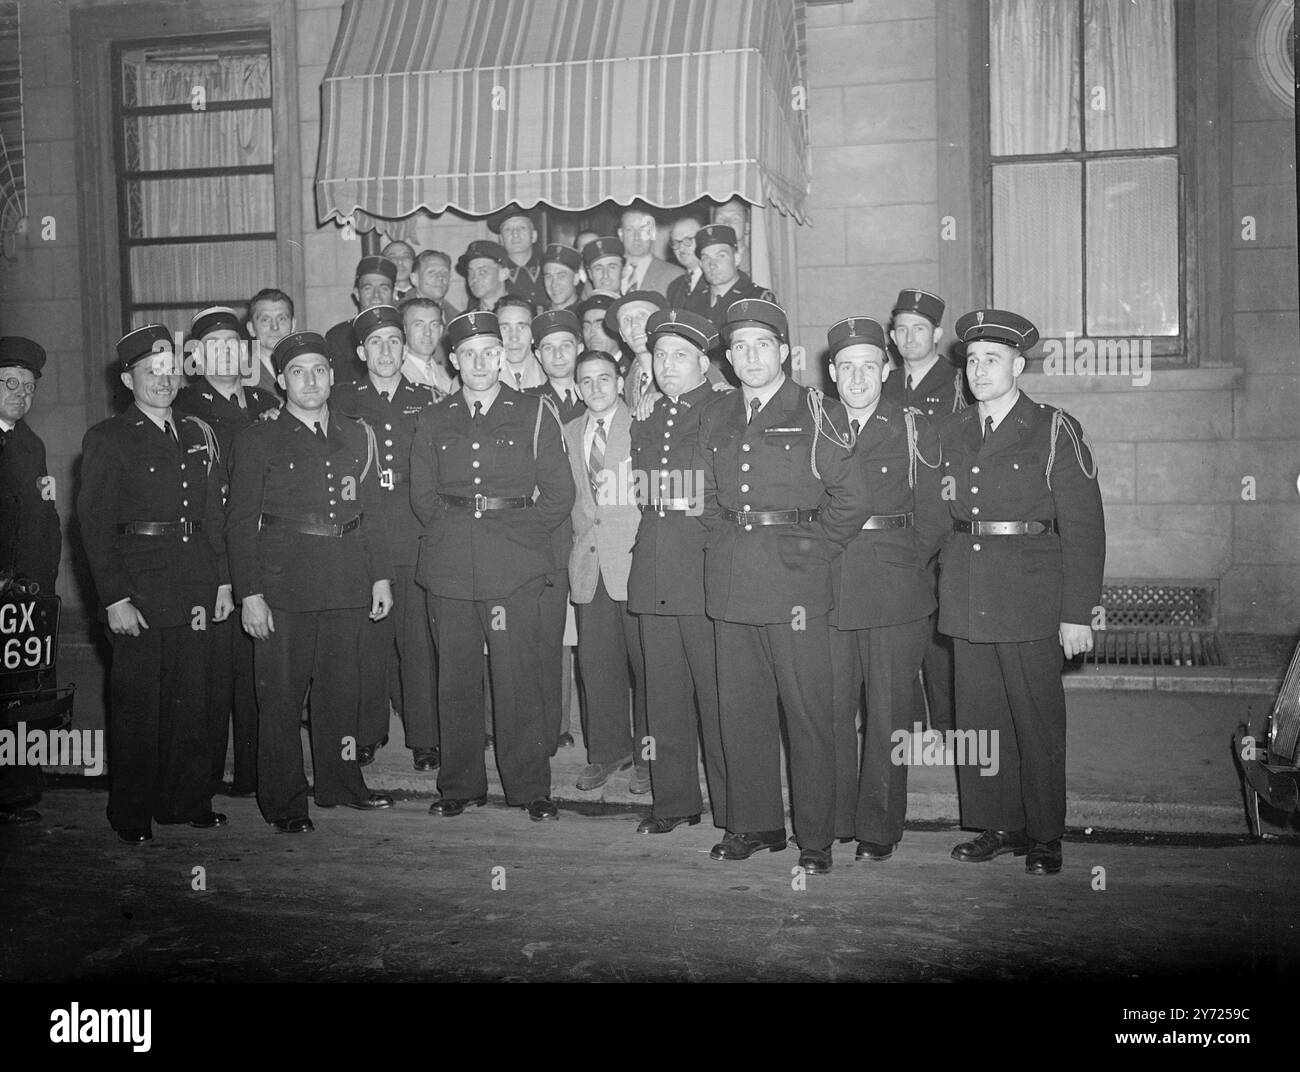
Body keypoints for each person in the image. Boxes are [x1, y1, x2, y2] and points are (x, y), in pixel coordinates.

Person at [698, 299, 869, 875]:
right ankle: (754, 823)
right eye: (739, 347)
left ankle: (815, 838)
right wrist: (723, 544)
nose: (749, 357)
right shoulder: (717, 415)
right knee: (740, 711)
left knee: (808, 714)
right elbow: (703, 496)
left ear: (784, 353)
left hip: (795, 587)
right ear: (727, 356)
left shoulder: (816, 410)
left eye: (761, 345)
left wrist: (811, 550)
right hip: (732, 582)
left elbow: (853, 497)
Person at [941, 308, 1105, 876]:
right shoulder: (955, 430)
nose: (979, 370)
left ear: (1017, 364)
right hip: (967, 589)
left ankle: (1043, 834)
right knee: (980, 717)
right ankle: (997, 824)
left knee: (1036, 718)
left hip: (1030, 595)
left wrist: (1077, 612)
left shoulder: (1054, 428)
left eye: (992, 359)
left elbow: (1083, 527)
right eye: (971, 361)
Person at [225, 330, 396, 833]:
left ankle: (340, 784)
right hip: (284, 587)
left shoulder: (355, 432)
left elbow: (372, 512)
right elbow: (240, 522)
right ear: (281, 380)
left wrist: (380, 577)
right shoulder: (258, 438)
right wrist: (250, 594)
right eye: (298, 372)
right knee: (279, 698)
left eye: (319, 370)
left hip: (345, 580)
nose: (310, 381)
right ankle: (284, 801)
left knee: (340, 692)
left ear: (332, 375)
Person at [410, 311, 575, 822]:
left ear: (502, 357)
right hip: (451, 567)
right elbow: (422, 496)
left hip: (514, 566)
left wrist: (518, 537)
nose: (479, 363)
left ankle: (529, 788)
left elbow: (559, 493)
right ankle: (459, 785)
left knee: (517, 677)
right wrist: (459, 535)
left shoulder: (534, 411)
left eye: (489, 352)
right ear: (453, 360)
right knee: (455, 678)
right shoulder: (433, 417)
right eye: (468, 354)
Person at [78, 325, 231, 844]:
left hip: (192, 585)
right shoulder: (107, 438)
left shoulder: (195, 432)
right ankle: (132, 812)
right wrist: (115, 598)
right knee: (138, 707)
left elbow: (211, 514)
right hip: (138, 592)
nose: (162, 381)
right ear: (128, 379)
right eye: (150, 372)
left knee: (192, 700)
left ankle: (184, 801)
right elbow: (95, 527)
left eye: (169, 370)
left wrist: (221, 584)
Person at [824, 316, 947, 862]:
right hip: (827, 586)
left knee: (888, 714)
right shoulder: (816, 424)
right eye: (846, 368)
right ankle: (833, 819)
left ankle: (877, 828)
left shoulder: (914, 425)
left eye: (868, 367)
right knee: (828, 710)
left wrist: (905, 567)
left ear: (885, 369)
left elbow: (935, 515)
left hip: (895, 586)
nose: (857, 378)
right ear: (831, 372)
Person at [627, 309, 729, 835]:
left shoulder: (725, 408)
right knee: (662, 697)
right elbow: (641, 490)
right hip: (654, 567)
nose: (668, 366)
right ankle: (674, 802)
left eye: (680, 356)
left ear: (704, 363)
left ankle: (735, 808)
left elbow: (721, 491)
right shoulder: (644, 414)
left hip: (704, 567)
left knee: (718, 697)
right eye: (660, 355)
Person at [174, 307, 280, 798]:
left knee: (259, 674)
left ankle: (255, 778)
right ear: (195, 356)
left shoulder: (265, 402)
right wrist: (220, 572)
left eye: (233, 344)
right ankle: (203, 780)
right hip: (214, 555)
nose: (225, 353)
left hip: (267, 552)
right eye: (212, 345)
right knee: (213, 678)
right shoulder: (185, 410)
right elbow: (198, 498)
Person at [331, 305, 441, 773]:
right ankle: (368, 730)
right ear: (361, 351)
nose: (386, 350)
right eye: (375, 342)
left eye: (394, 341)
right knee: (368, 640)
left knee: (418, 640)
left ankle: (425, 738)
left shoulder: (429, 398)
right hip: (365, 530)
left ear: (404, 347)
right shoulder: (342, 401)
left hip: (415, 529)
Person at [882, 288, 965, 738]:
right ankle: (908, 724)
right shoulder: (883, 384)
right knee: (900, 623)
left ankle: (949, 726)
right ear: (892, 337)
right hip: (897, 522)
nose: (909, 337)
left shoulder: (960, 382)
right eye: (901, 329)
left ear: (936, 333)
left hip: (946, 521)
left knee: (940, 631)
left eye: (919, 329)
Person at [565, 347, 648, 793]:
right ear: (577, 388)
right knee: (597, 667)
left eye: (603, 378)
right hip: (588, 565)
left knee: (647, 668)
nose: (595, 387)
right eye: (586, 380)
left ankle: (648, 760)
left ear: (620, 382)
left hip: (634, 562)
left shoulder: (643, 425)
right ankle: (606, 752)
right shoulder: (568, 431)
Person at [0, 337, 62, 824]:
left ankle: (17, 794)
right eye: (10, 383)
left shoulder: (31, 445)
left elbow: (43, 522)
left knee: (21, 693)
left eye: (29, 386)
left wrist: (39, 586)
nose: (21, 393)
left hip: (23, 598)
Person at [526, 310, 586, 754]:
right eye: (548, 347)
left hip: (593, 533)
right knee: (548, 634)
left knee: (595, 636)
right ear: (536, 355)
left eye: (566, 345)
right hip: (549, 531)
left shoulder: (599, 393)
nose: (557, 354)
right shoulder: (526, 402)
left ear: (579, 348)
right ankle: (550, 726)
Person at [324, 256, 397, 384]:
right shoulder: (338, 337)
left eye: (384, 289)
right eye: (368, 289)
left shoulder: (404, 332)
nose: (376, 295)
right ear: (357, 294)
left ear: (394, 294)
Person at [605, 290, 667, 412]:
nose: (634, 324)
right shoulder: (628, 382)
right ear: (622, 334)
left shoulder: (689, 367)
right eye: (626, 320)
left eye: (642, 315)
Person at [617, 206, 684, 297]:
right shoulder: (610, 274)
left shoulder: (675, 276)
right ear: (621, 234)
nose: (637, 237)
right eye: (629, 230)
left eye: (643, 229)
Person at [490, 205, 548, 311]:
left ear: (534, 236)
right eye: (508, 229)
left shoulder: (549, 268)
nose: (515, 234)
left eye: (522, 227)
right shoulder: (492, 275)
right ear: (500, 240)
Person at [399, 297, 457, 400]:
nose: (427, 333)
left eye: (434, 325)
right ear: (403, 330)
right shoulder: (395, 376)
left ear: (440, 330)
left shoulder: (446, 375)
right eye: (418, 325)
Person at [244, 288, 295, 396]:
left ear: (293, 325)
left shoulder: (308, 365)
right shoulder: (238, 373)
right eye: (265, 320)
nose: (275, 327)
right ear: (251, 329)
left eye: (281, 319)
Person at [494, 295, 546, 390]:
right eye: (505, 328)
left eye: (521, 328)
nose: (514, 337)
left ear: (533, 335)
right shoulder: (476, 379)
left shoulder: (550, 374)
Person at [458, 239, 512, 313]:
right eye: (470, 272)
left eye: (482, 272)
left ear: (503, 274)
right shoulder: (467, 320)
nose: (475, 279)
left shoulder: (523, 313)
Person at [665, 216, 706, 309]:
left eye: (688, 240)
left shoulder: (715, 279)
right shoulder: (674, 287)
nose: (681, 248)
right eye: (676, 242)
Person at [410, 250, 460, 325]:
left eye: (444, 273)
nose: (440, 277)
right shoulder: (396, 314)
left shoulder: (458, 319)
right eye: (431, 272)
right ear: (415, 279)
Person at [711, 197, 753, 277]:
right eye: (721, 218)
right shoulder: (706, 263)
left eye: (735, 219)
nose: (727, 223)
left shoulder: (756, 264)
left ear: (747, 227)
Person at [576, 292, 622, 358]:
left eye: (599, 325)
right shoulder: (579, 367)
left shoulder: (634, 366)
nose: (592, 333)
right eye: (586, 326)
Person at [541, 243, 583, 312]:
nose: (554, 284)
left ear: (576, 279)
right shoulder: (538, 314)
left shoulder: (586, 315)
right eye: (548, 276)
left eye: (561, 276)